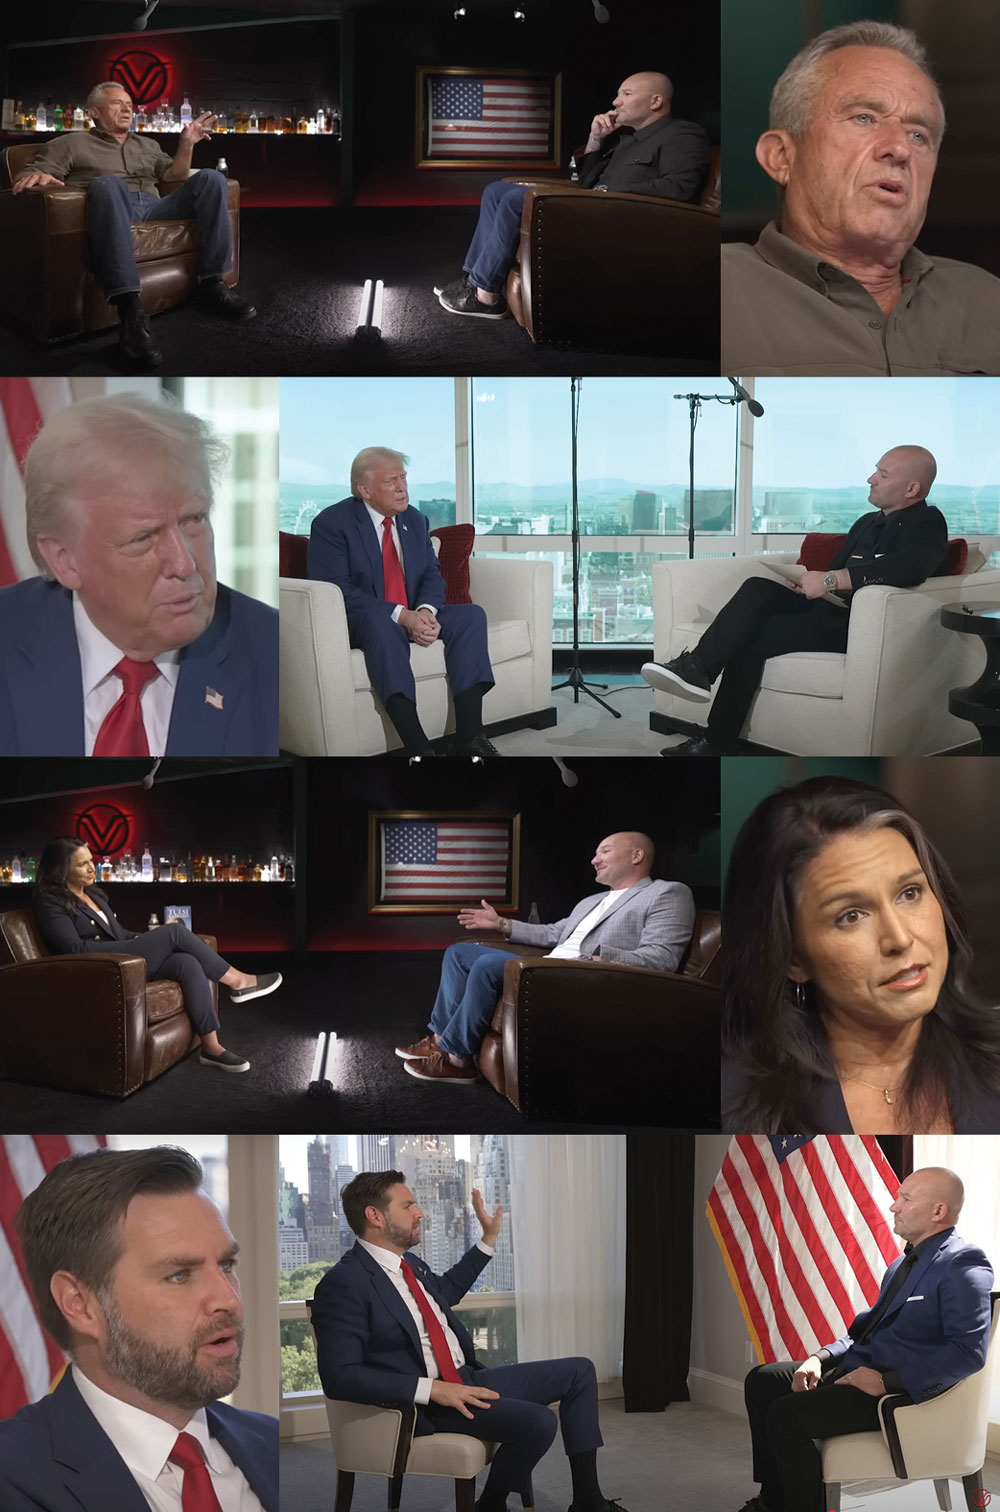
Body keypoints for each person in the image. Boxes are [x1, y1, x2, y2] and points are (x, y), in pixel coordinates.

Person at [312, 1170, 626, 1512]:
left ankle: (588, 1502)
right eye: (408, 1205)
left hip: (467, 1377)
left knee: (580, 1371)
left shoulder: (409, 1265)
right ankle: (489, 1505)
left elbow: (446, 1290)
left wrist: (488, 1239)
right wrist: (433, 1390)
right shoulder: (345, 1283)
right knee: (539, 1422)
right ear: (375, 1215)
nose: (419, 1212)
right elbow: (340, 1376)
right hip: (428, 1403)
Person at [0, 1144, 278, 1511]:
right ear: (79, 1304)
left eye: (226, 1265)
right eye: (179, 1275)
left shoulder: (271, 1440)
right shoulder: (12, 1479)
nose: (229, 1300)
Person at [0, 391, 279, 758]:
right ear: (65, 560)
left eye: (195, 519)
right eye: (143, 538)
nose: (184, 565)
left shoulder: (277, 654)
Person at [721, 776, 1000, 1133]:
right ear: (793, 958)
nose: (900, 939)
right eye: (851, 916)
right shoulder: (735, 1109)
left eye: (910, 893)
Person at [722, 21, 1000, 376]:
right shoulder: (713, 286)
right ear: (781, 157)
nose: (900, 149)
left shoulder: (987, 299)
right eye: (865, 118)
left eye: (918, 135)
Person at [642, 445, 946, 755]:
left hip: (857, 628)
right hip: (829, 610)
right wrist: (808, 581)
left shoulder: (928, 523)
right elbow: (835, 571)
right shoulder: (866, 523)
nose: (871, 479)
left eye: (883, 474)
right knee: (757, 588)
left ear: (912, 488)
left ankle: (715, 741)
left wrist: (830, 580)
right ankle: (696, 668)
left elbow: (911, 566)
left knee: (750, 638)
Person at [738, 1166, 994, 1512]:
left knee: (786, 1416)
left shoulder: (963, 1264)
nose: (894, 1206)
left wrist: (886, 1382)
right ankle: (773, 1502)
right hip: (856, 1370)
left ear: (938, 1211)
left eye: (906, 1199)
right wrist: (819, 1359)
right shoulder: (901, 1265)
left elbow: (967, 1354)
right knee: (762, 1381)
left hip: (895, 1394)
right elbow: (862, 1334)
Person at [396, 830, 695, 1083]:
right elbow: (553, 933)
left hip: (579, 974)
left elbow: (661, 958)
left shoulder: (667, 893)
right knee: (459, 953)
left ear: (637, 856)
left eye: (604, 851)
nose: (594, 859)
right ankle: (439, 1040)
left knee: (487, 965)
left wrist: (594, 958)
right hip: (549, 964)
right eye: (595, 853)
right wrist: (501, 924)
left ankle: (458, 1061)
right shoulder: (592, 900)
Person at [11, 82, 255, 367]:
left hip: (154, 206)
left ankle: (213, 283)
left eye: (129, 104)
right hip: (112, 209)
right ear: (94, 112)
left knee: (213, 178)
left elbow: (172, 176)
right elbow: (34, 171)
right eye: (117, 103)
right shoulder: (70, 143)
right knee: (108, 184)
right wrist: (34, 177)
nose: (127, 109)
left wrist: (187, 143)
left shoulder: (147, 144)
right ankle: (130, 311)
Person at [435, 71, 710, 318]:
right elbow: (583, 182)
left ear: (656, 101)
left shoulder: (682, 133)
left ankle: (486, 297)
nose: (616, 102)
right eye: (618, 95)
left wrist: (608, 192)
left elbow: (679, 189)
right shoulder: (628, 139)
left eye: (626, 94)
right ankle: (472, 280)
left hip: (624, 220)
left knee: (517, 200)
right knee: (496, 191)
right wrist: (595, 139)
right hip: (594, 207)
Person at [307, 446, 498, 760]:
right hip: (362, 619)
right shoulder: (332, 524)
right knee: (382, 624)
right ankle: (419, 748)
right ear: (365, 490)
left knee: (471, 616)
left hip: (410, 611)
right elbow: (337, 590)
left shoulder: (415, 520)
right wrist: (401, 616)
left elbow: (432, 575)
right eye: (390, 481)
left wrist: (424, 611)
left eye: (403, 478)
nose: (401, 488)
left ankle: (470, 738)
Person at [32, 837, 282, 1072]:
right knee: (174, 931)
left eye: (91, 861)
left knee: (186, 962)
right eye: (82, 864)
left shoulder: (93, 894)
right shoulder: (50, 901)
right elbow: (73, 949)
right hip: (101, 969)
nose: (91, 868)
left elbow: (119, 933)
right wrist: (137, 945)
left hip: (124, 961)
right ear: (61, 869)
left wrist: (142, 940)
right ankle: (239, 981)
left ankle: (211, 1047)